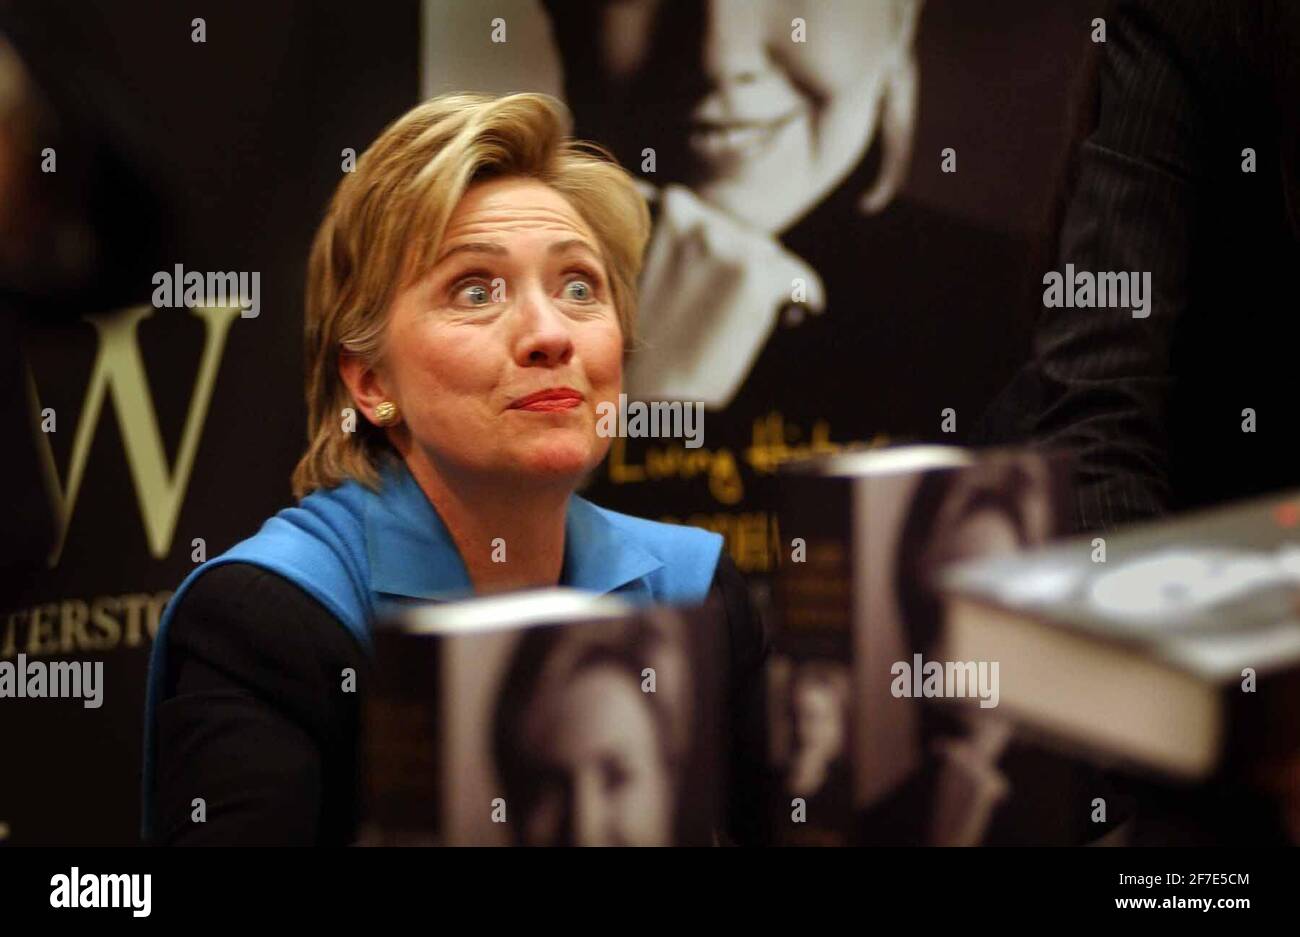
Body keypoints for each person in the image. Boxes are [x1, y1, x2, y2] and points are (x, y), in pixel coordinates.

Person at [141, 91, 770, 846]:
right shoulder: (271, 619)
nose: (549, 334)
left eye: (579, 287)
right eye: (476, 290)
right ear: (370, 383)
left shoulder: (696, 593)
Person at [540, 0, 1032, 585]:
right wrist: (639, 406)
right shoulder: (461, 314)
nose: (720, 57)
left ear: (900, 17)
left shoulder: (1027, 312)